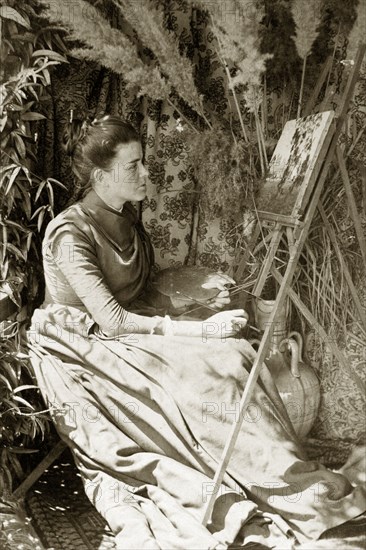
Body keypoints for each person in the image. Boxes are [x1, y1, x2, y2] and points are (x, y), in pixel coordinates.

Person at [28, 115, 366, 549]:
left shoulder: (128, 220)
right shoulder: (70, 232)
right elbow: (110, 318)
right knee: (211, 367)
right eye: (133, 166)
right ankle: (265, 483)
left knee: (237, 354)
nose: (145, 173)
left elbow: (138, 296)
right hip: (81, 346)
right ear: (100, 176)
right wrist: (199, 333)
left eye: (144, 162)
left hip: (129, 333)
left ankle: (278, 471)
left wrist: (190, 305)